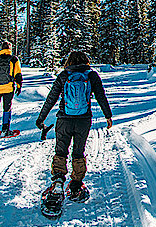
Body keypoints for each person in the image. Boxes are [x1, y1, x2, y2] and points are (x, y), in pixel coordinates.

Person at [36, 51, 113, 202]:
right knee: (78, 152)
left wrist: (41, 118)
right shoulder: (91, 75)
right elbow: (100, 96)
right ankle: (76, 185)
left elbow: (51, 98)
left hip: (64, 120)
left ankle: (58, 182)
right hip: (83, 120)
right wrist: (108, 116)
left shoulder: (64, 75)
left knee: (61, 150)